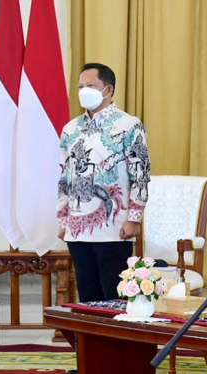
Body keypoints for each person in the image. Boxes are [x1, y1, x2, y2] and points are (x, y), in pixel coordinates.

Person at [57, 63, 151, 304]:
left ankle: (117, 342)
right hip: (77, 229)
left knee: (114, 295)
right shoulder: (71, 129)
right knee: (87, 295)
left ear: (108, 89)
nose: (83, 91)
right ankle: (90, 343)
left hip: (115, 228)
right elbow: (64, 177)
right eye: (80, 87)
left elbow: (140, 174)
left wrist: (134, 218)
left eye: (91, 86)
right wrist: (63, 220)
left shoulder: (129, 125)